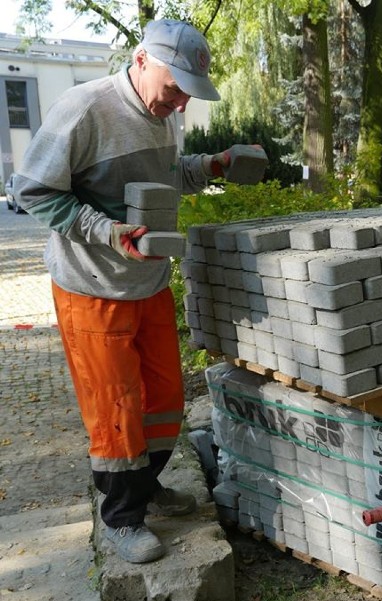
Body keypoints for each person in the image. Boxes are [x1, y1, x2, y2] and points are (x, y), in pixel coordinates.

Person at [13, 19, 241, 564]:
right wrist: (107, 232)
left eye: (188, 93)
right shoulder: (84, 108)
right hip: (92, 288)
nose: (181, 103)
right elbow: (33, 190)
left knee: (163, 398)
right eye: (174, 88)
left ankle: (146, 487)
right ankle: (121, 517)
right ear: (142, 61)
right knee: (116, 406)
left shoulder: (163, 113)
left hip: (149, 281)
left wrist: (208, 166)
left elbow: (164, 176)